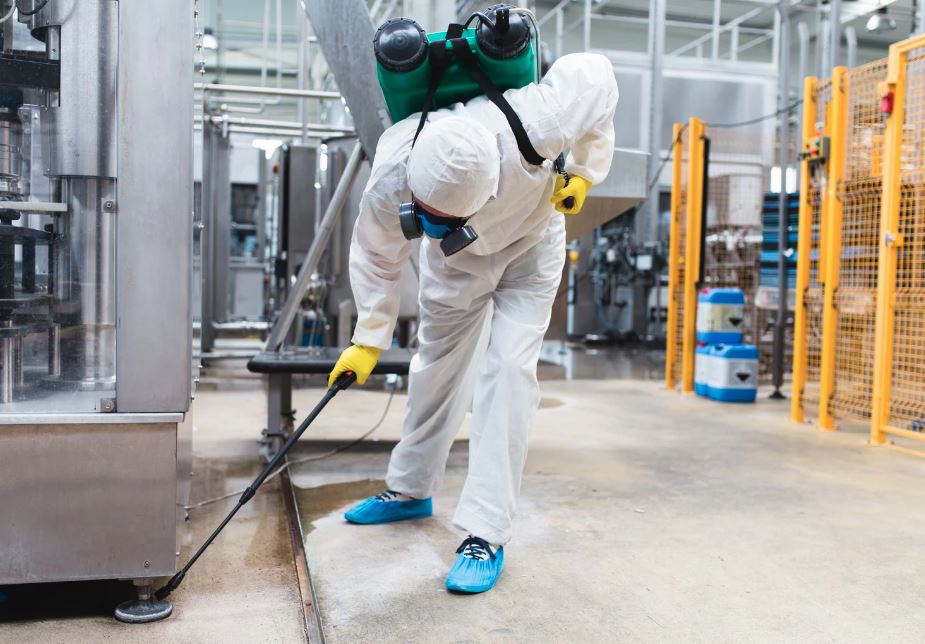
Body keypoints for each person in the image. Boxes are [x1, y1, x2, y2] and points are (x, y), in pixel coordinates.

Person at [328, 51, 618, 593]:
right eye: (427, 218)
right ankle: (410, 489)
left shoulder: (539, 122)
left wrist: (583, 168)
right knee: (435, 364)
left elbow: (597, 75)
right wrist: (368, 338)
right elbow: (375, 254)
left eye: (447, 220)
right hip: (455, 264)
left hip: (531, 249)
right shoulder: (397, 167)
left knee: (508, 373)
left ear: (488, 192)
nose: (432, 224)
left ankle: (486, 531)